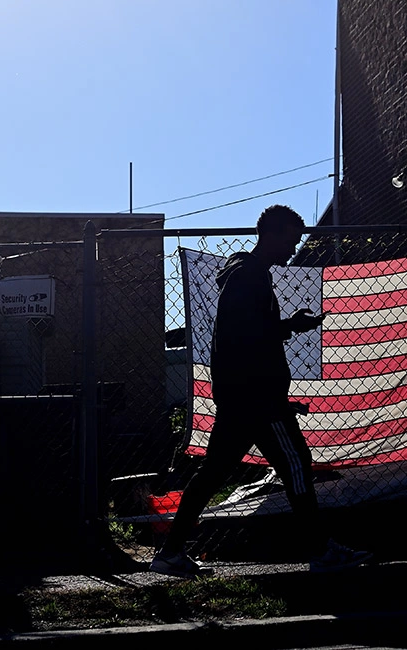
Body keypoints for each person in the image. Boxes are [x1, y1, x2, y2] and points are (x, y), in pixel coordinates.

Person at [150, 204, 372, 578]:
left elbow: (246, 332)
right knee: (296, 465)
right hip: (257, 398)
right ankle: (320, 550)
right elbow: (246, 336)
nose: (293, 247)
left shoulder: (247, 276)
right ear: (272, 234)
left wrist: (287, 326)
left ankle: (170, 553)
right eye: (291, 238)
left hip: (240, 396)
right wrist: (288, 329)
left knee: (213, 474)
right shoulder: (250, 277)